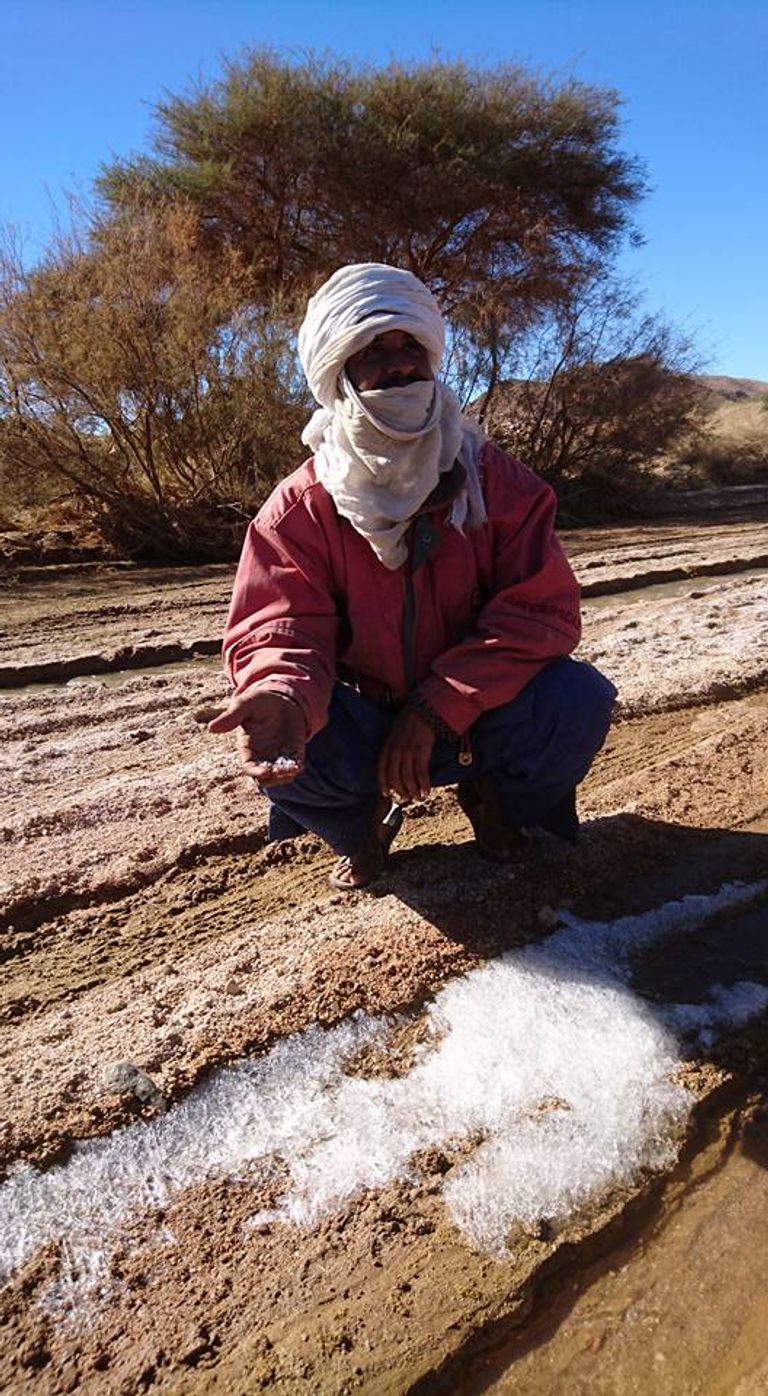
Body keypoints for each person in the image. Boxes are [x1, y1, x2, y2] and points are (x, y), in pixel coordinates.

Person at [209, 263, 616, 890]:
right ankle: (359, 825)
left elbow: (542, 614)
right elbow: (280, 626)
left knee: (575, 699)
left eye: (409, 347)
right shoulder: (299, 509)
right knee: (285, 732)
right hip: (360, 720)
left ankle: (496, 804)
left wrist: (435, 708)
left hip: (479, 712)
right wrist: (282, 692)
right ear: (337, 374)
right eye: (372, 351)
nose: (399, 365)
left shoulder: (497, 483)